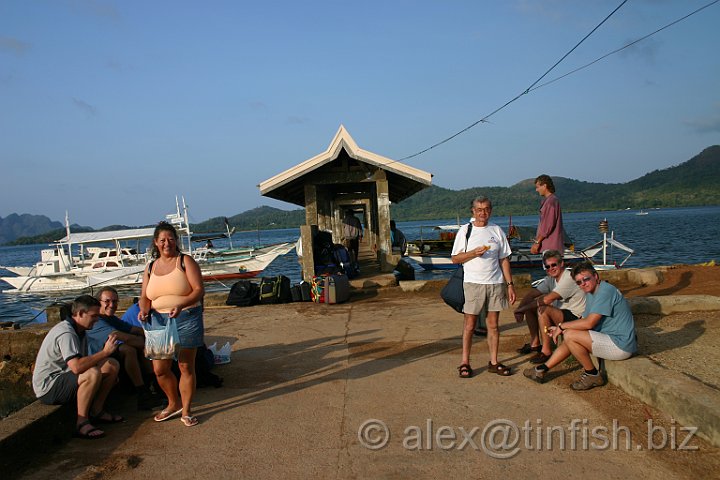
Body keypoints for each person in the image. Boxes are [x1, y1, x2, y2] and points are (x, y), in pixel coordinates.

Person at [523, 261, 637, 390]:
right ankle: (541, 369)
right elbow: (583, 319)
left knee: (570, 334)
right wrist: (559, 328)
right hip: (608, 338)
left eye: (586, 279)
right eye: (579, 282)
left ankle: (592, 374)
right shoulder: (591, 293)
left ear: (596, 276)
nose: (583, 284)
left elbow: (590, 323)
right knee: (569, 333)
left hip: (620, 345)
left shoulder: (605, 291)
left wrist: (562, 327)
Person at [138, 221, 205, 427]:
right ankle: (172, 403)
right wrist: (144, 308)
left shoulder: (185, 261)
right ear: (155, 243)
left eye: (171, 239)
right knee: (160, 369)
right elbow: (144, 296)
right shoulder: (150, 267)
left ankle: (186, 410)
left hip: (185, 317)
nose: (167, 243)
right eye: (162, 240)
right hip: (157, 321)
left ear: (176, 241)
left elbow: (198, 290)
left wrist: (181, 303)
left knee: (185, 366)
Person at [32, 295, 122, 439]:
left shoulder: (81, 331)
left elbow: (85, 362)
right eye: (93, 316)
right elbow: (77, 368)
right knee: (92, 373)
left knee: (111, 365)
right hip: (49, 386)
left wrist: (106, 373)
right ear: (80, 314)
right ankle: (82, 422)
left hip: (65, 377)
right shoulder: (66, 332)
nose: (97, 319)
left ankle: (97, 411)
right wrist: (104, 352)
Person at [451, 196, 516, 378]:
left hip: (495, 284)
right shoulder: (466, 231)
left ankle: (494, 362)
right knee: (470, 325)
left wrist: (509, 285)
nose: (482, 213)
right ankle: (465, 362)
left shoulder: (496, 230)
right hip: (473, 283)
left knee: (493, 325)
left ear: (491, 210)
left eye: (486, 209)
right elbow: (455, 258)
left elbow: (504, 259)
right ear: (473, 211)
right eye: (479, 210)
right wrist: (473, 253)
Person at [86, 287, 161, 410]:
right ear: (98, 302)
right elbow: (122, 336)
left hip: (110, 354)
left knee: (139, 347)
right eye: (107, 301)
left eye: (115, 302)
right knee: (129, 349)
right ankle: (142, 393)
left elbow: (134, 330)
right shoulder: (97, 321)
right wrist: (149, 340)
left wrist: (155, 334)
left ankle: (154, 387)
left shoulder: (111, 319)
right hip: (95, 358)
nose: (112, 305)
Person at [513, 250, 586, 364]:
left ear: (562, 264)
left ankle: (546, 351)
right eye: (547, 266)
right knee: (531, 307)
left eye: (553, 265)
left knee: (543, 309)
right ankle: (535, 344)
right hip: (562, 313)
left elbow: (547, 299)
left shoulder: (568, 278)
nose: (550, 268)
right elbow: (532, 294)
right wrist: (520, 309)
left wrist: (521, 309)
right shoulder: (550, 279)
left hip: (576, 316)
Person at [530, 174, 565, 255]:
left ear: (544, 186)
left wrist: (537, 243)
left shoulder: (550, 202)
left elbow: (547, 226)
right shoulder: (552, 200)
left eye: (538, 187)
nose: (536, 190)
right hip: (552, 247)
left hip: (550, 248)